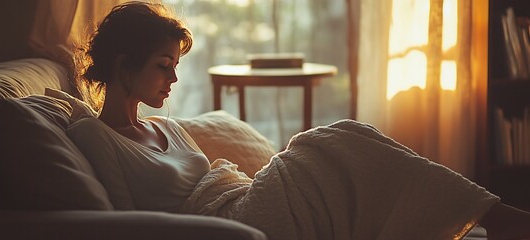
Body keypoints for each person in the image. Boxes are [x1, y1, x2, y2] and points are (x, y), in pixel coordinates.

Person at [68, 1, 530, 239]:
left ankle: (485, 215)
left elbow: (214, 178)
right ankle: (495, 216)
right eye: (162, 65)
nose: (172, 78)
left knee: (341, 137)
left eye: (174, 65)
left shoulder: (168, 126)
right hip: (228, 219)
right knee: (332, 140)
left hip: (243, 196)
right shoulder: (95, 134)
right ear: (125, 64)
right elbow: (120, 219)